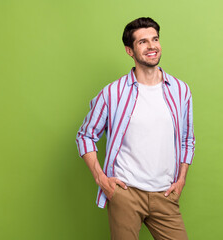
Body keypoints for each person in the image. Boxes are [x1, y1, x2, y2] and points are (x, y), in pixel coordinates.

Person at [76, 17, 195, 240]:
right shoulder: (113, 93)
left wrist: (182, 179)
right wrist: (101, 179)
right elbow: (85, 135)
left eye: (155, 39)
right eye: (143, 42)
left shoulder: (180, 90)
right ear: (129, 50)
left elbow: (187, 139)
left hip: (165, 194)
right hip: (125, 194)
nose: (152, 46)